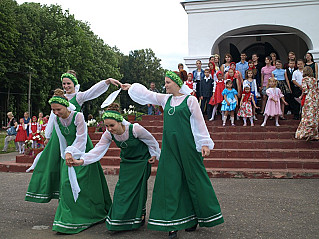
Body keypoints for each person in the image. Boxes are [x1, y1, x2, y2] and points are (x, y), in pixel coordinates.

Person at [121, 71, 224, 239]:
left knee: (193, 179)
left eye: (168, 82)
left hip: (188, 147)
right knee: (170, 182)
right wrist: (131, 87)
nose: (166, 85)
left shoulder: (190, 100)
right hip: (170, 148)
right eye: (165, 82)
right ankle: (172, 224)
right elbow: (148, 94)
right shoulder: (165, 99)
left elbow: (199, 122)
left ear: (177, 83)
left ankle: (195, 217)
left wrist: (204, 143)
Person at [25, 89, 112, 234]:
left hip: (83, 151)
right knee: (65, 183)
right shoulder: (58, 120)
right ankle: (67, 220)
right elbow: (62, 141)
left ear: (66, 106)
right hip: (67, 154)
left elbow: (81, 139)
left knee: (87, 183)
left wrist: (72, 152)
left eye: (58, 109)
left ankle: (91, 213)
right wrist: (66, 154)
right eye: (53, 110)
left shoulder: (78, 116)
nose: (56, 113)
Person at [69, 103, 161, 231]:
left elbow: (151, 141)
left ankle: (138, 217)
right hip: (126, 163)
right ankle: (118, 221)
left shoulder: (135, 129)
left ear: (120, 122)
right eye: (106, 126)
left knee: (138, 191)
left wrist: (153, 154)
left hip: (141, 162)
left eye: (112, 125)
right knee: (121, 191)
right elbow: (98, 149)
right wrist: (81, 161)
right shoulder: (108, 134)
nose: (109, 128)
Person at [295, 66, 319, 140]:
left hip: (309, 98)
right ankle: (314, 133)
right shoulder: (314, 79)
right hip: (316, 98)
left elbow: (305, 90)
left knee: (307, 114)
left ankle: (306, 132)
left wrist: (301, 96)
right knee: (314, 115)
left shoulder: (305, 79)